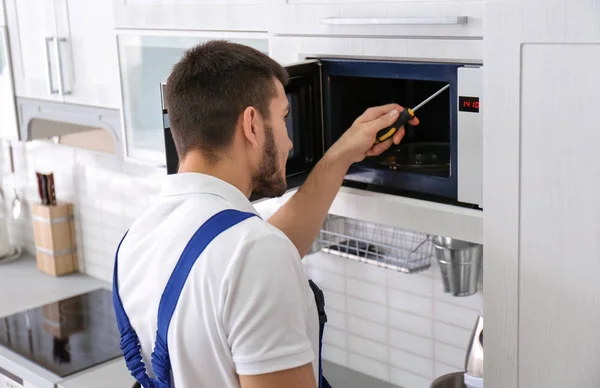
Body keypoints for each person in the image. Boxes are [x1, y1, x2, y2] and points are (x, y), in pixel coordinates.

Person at [112, 40, 419, 388]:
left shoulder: (138, 238)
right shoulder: (253, 253)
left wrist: (342, 154)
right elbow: (252, 262)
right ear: (252, 125)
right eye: (284, 117)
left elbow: (238, 265)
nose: (289, 143)